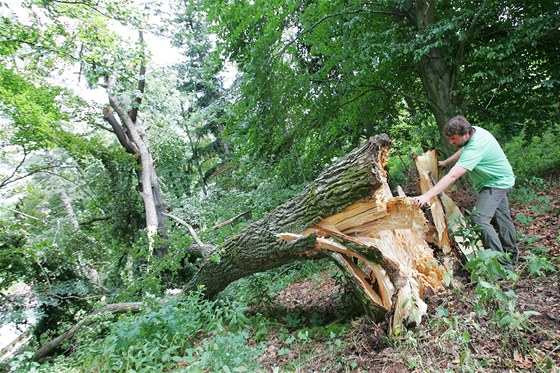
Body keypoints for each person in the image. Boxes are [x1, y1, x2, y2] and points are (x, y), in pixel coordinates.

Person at [411, 116, 518, 269]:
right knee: (502, 218)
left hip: (496, 184)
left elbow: (453, 176)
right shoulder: (475, 132)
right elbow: (464, 149)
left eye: (454, 138)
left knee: (479, 220)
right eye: (449, 139)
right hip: (500, 179)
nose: (451, 142)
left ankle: (503, 265)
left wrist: (427, 195)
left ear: (466, 134)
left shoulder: (476, 147)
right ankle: (512, 255)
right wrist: (446, 162)